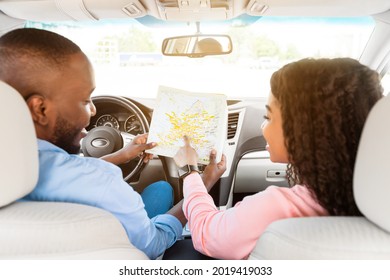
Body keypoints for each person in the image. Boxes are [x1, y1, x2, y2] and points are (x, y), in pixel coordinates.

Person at [0, 27, 222, 259]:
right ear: (41, 109)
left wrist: (123, 155)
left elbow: (64, 172)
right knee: (162, 189)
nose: (93, 110)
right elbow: (152, 244)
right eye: (85, 100)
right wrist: (202, 182)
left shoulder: (14, 174)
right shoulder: (101, 182)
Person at [174, 57, 384, 259]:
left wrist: (190, 172)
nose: (262, 127)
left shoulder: (277, 207)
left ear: (304, 129)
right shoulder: (377, 201)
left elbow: (206, 234)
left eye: (268, 117)